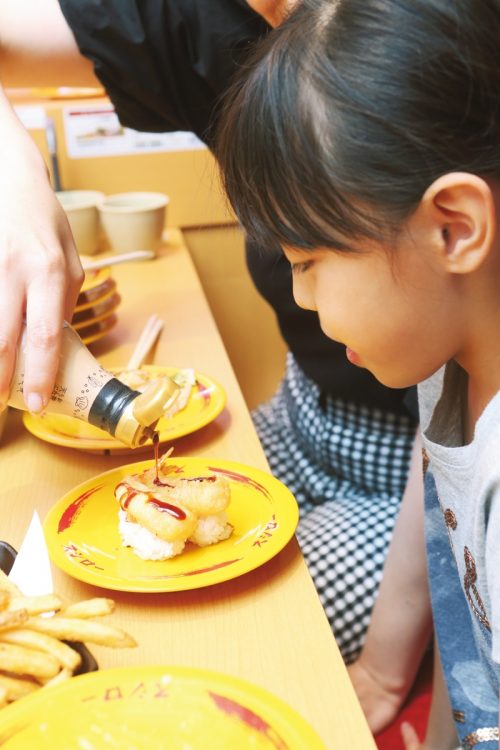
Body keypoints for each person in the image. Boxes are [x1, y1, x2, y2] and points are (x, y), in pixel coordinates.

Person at [0, 0, 417, 665]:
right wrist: (14, 176)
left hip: (409, 470)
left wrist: (387, 669)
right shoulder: (219, 19)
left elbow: (459, 450)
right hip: (300, 412)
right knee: (115, 567)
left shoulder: (423, 51)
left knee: (242, 643)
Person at [215, 0, 500, 746]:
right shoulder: (449, 368)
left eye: (308, 263)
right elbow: (465, 641)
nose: (301, 298)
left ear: (455, 227)